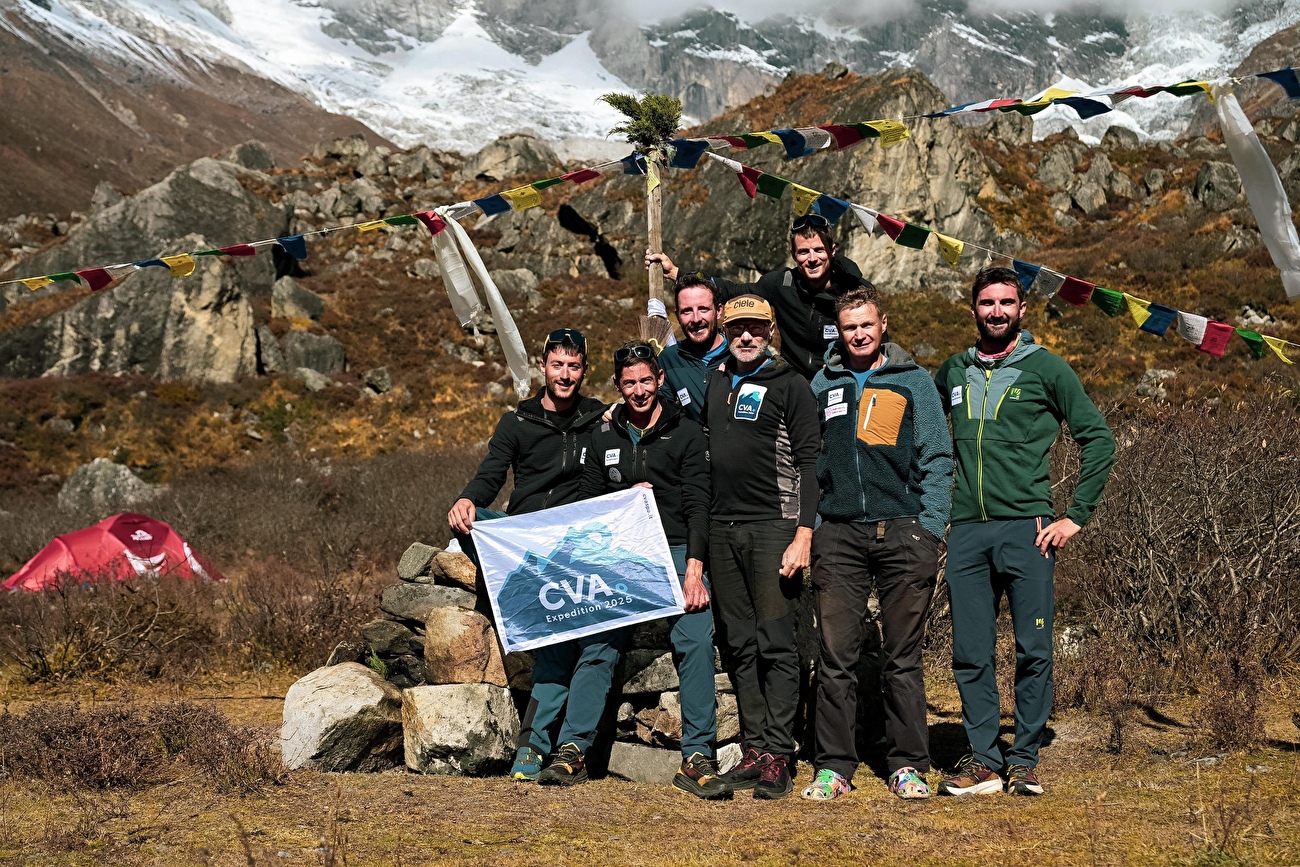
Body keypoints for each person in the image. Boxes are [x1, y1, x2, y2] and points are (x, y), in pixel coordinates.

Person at [933, 266, 1115, 797]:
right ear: (973, 309)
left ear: (1022, 310)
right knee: (970, 651)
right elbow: (918, 430)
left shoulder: (1047, 369)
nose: (996, 311)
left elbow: (1098, 439)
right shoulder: (953, 371)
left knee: (1033, 648)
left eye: (1006, 303)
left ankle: (1025, 759)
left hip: (1029, 531)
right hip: (966, 531)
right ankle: (985, 761)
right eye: (986, 303)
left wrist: (1076, 516)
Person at [801, 286, 953, 802]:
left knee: (902, 657)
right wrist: (817, 524)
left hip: (904, 532)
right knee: (836, 655)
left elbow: (936, 455)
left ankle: (908, 764)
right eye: (849, 327)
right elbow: (808, 459)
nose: (859, 335)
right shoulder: (823, 383)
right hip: (839, 535)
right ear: (838, 333)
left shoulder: (913, 382)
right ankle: (834, 767)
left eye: (866, 324)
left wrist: (929, 527)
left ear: (883, 324)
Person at [446, 328, 615, 786]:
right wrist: (466, 499)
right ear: (543, 367)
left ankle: (540, 747)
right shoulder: (516, 423)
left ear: (584, 370)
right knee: (474, 518)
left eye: (574, 366)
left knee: (567, 644)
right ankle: (539, 746)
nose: (565, 375)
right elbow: (489, 477)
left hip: (575, 548)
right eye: (557, 365)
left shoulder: (600, 419)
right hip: (526, 542)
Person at [580, 340, 726, 799]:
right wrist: (621, 500)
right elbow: (586, 501)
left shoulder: (685, 433)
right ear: (618, 387)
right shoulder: (603, 435)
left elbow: (699, 504)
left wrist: (694, 571)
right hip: (623, 554)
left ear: (661, 381)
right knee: (599, 635)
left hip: (680, 547)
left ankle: (697, 756)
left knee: (695, 636)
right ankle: (574, 748)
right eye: (630, 383)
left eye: (647, 380)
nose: (640, 390)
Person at [704, 295, 821, 800]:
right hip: (721, 529)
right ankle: (754, 749)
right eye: (736, 329)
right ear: (725, 332)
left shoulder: (791, 384)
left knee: (777, 643)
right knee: (739, 642)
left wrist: (803, 535)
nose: (745, 336)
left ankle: (779, 752)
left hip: (775, 526)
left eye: (754, 328)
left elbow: (811, 467)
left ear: (770, 330)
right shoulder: (715, 380)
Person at [647, 213, 872, 380]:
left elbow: (877, 342)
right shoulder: (781, 284)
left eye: (818, 250)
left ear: (832, 250)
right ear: (794, 254)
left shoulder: (856, 291)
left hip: (841, 381)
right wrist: (678, 273)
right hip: (793, 383)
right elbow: (733, 291)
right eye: (803, 252)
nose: (811, 258)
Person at [655, 273, 729, 422]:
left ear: (719, 311)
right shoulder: (669, 360)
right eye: (687, 311)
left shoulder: (741, 354)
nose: (696, 319)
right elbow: (658, 412)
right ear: (677, 315)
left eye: (703, 309)